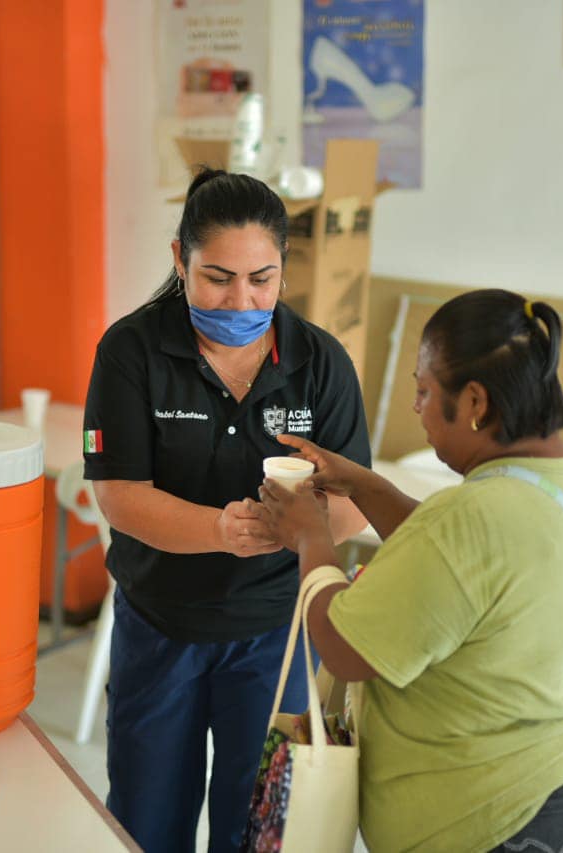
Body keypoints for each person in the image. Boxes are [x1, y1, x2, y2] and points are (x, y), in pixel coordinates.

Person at [257, 289, 563, 852]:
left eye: (425, 390)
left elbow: (344, 648)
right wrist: (366, 485)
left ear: (475, 401)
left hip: (498, 816)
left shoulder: (473, 514)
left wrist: (309, 538)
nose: (416, 407)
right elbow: (460, 568)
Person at [82, 168, 371, 853]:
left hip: (276, 633)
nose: (241, 299)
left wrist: (296, 529)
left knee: (259, 832)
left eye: (261, 279)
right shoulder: (131, 352)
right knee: (148, 823)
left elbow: (355, 506)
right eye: (217, 277)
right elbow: (118, 492)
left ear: (283, 270)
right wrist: (217, 529)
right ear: (179, 258)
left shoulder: (320, 362)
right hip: (161, 626)